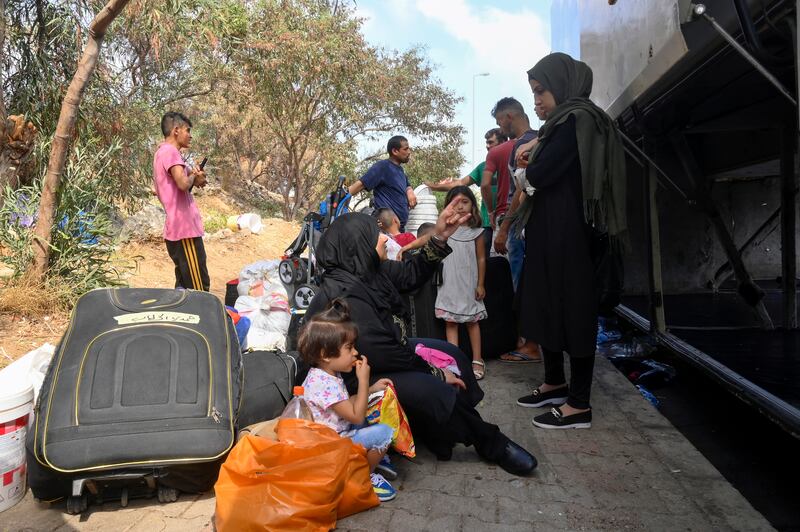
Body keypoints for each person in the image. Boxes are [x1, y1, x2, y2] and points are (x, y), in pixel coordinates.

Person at [306, 202, 537, 475]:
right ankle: (491, 442)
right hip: (353, 374)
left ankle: (443, 429)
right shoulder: (345, 293)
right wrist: (436, 374)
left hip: (380, 354)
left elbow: (412, 274)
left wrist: (440, 236)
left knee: (452, 354)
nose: (383, 238)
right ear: (356, 245)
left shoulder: (369, 272)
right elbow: (384, 352)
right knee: (432, 388)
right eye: (373, 236)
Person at [512, 53, 627, 430]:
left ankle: (579, 404)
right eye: (533, 94)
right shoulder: (562, 124)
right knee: (546, 304)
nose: (537, 101)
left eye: (542, 91)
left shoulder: (577, 121)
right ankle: (554, 383)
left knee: (574, 311)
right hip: (554, 233)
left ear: (562, 85)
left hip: (571, 235)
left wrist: (525, 169)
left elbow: (540, 175)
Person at [298, 300, 398, 502]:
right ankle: (364, 476)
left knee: (369, 406)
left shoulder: (327, 374)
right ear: (326, 355)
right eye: (349, 347)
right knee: (385, 432)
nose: (355, 353)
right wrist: (363, 381)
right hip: (331, 447)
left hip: (339, 431)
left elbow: (346, 403)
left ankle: (370, 459)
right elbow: (355, 414)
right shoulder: (323, 383)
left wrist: (370, 390)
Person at [426, 128, 508, 256]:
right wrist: (434, 186)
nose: (487, 146)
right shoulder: (483, 167)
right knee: (484, 260)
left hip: (508, 222)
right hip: (487, 223)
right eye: (486, 142)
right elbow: (460, 183)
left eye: (491, 142)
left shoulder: (513, 163)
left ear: (503, 142)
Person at [433, 186, 487, 380]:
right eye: (456, 202)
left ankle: (477, 359)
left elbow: (481, 259)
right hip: (449, 282)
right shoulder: (443, 230)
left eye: (465, 202)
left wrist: (480, 283)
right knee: (451, 322)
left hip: (469, 284)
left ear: (473, 205)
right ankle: (453, 361)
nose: (461, 206)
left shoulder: (476, 232)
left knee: (473, 322)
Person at [152, 112, 209, 291]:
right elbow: (183, 183)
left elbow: (179, 188)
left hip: (178, 230)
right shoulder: (170, 152)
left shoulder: (162, 153)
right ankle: (202, 318)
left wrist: (194, 178)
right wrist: (193, 176)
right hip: (185, 231)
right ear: (176, 130)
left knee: (184, 285)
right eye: (187, 130)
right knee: (199, 287)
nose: (190, 135)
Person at [349, 136, 417, 232]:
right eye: (405, 149)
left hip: (399, 229)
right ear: (395, 151)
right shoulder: (383, 167)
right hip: (386, 230)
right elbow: (360, 184)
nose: (409, 152)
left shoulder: (400, 170)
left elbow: (407, 185)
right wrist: (339, 199)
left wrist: (410, 191)